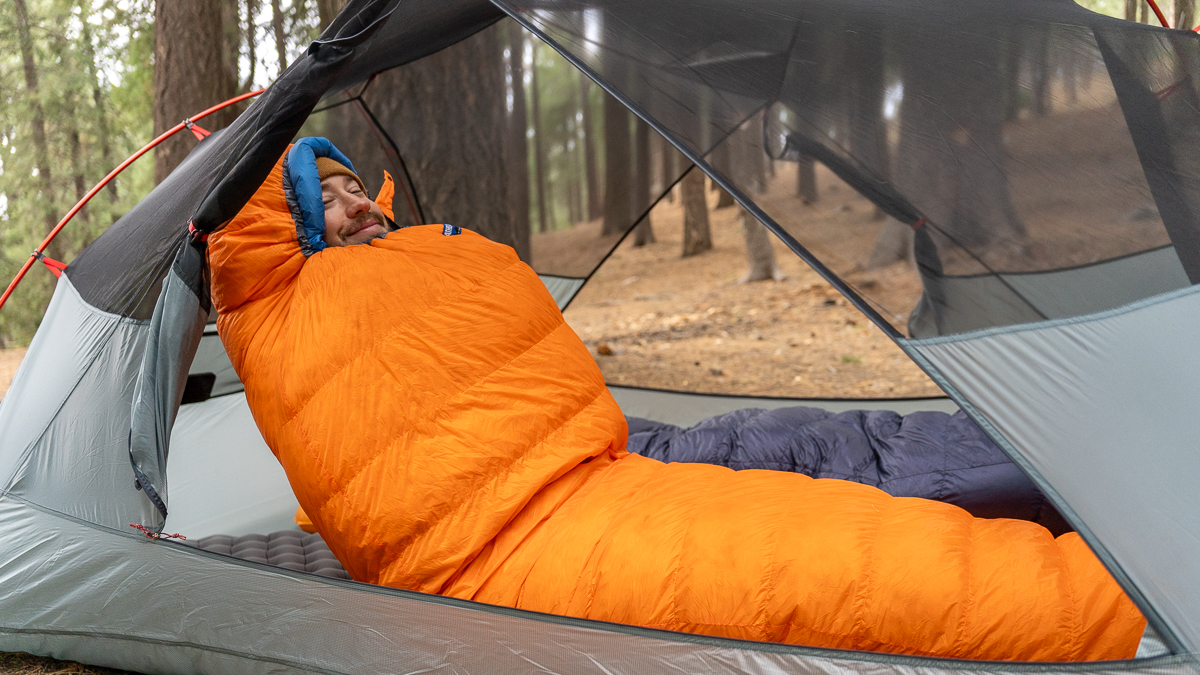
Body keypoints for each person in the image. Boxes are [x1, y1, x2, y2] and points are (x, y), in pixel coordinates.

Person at [207, 138, 1147, 662]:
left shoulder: (412, 259)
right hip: (494, 539)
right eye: (329, 200)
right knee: (825, 560)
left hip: (594, 467)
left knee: (815, 456)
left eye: (357, 188)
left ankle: (1078, 492)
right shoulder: (295, 308)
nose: (365, 205)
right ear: (283, 232)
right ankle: (1120, 605)